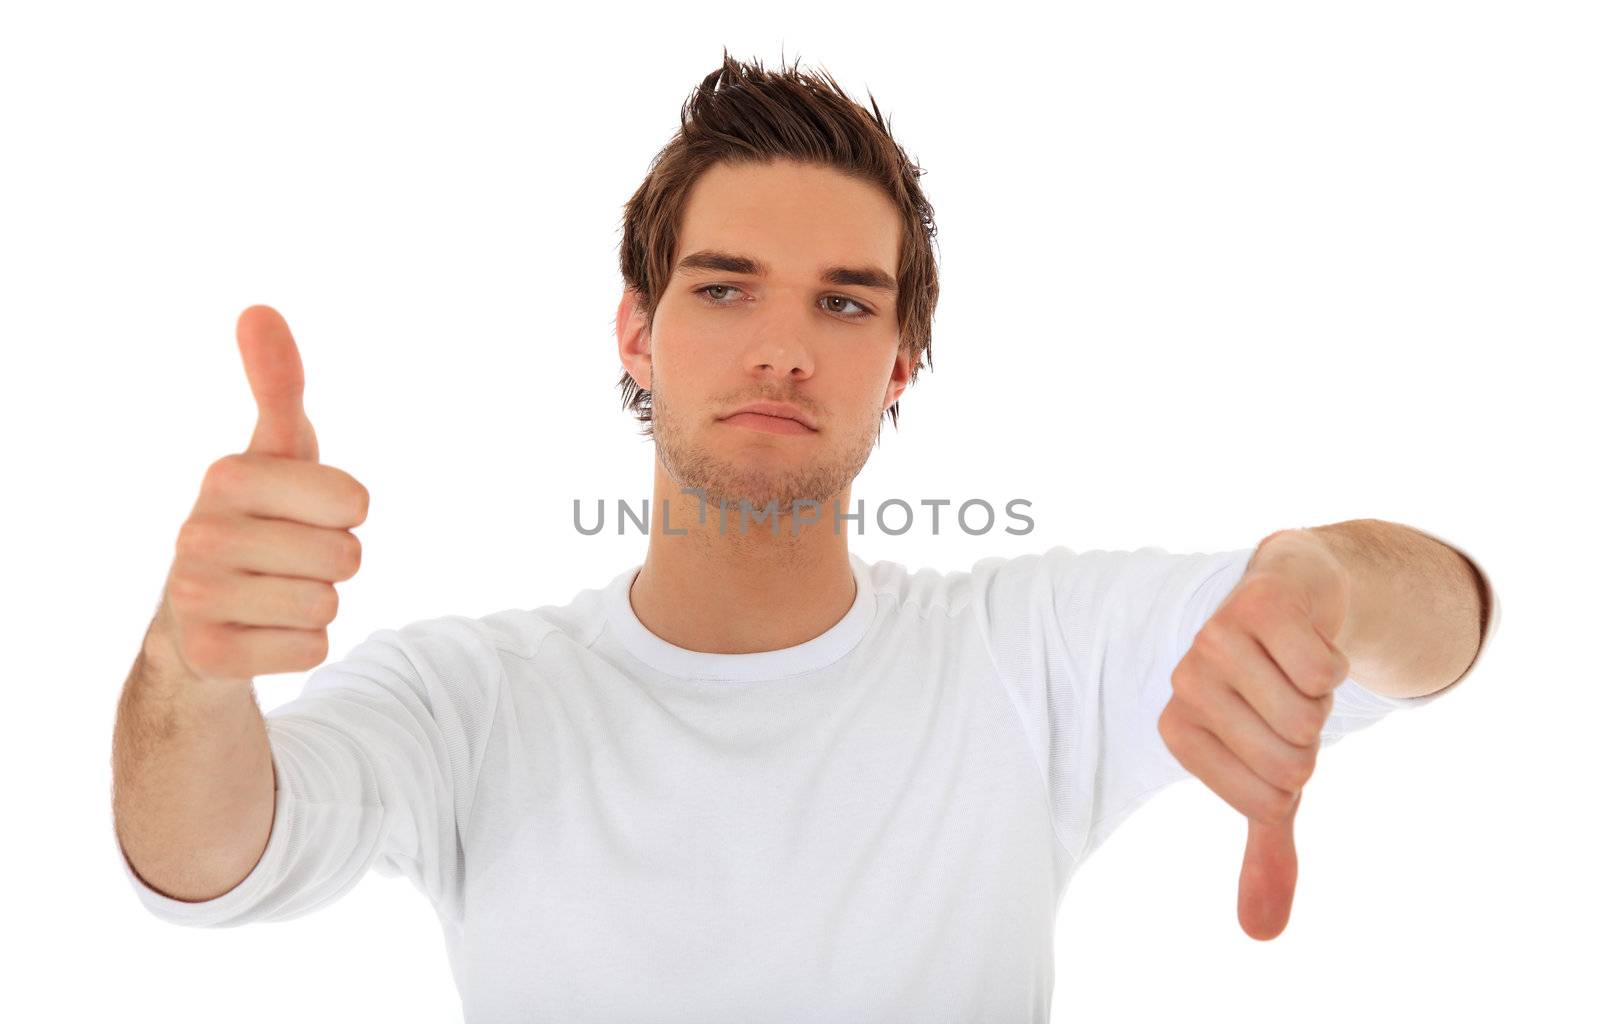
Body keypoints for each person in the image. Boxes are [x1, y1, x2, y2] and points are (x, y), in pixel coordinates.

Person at [111, 51, 1500, 1023]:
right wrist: (193, 654)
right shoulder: (468, 699)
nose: (784, 346)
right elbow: (205, 860)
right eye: (726, 290)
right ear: (637, 335)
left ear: (901, 362)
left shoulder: (1026, 661)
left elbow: (1445, 625)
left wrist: (1322, 577)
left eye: (845, 304)